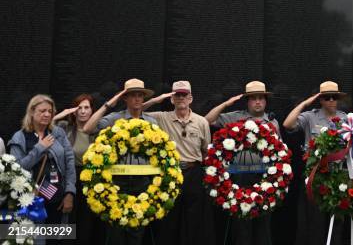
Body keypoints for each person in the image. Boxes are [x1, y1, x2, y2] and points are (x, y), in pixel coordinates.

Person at [83, 78, 157, 245]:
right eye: (132, 95)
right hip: (118, 182)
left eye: (140, 95)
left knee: (137, 231)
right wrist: (111, 103)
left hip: (142, 182)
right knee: (116, 232)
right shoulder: (114, 118)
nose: (137, 99)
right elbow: (88, 128)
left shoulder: (152, 122)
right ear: (125, 98)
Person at [205, 80, 280, 245]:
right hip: (239, 176)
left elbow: (278, 153)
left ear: (266, 101)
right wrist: (226, 104)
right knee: (241, 225)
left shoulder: (272, 123)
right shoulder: (235, 117)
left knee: (263, 224)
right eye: (253, 98)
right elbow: (208, 120)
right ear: (248, 101)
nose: (258, 101)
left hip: (264, 177)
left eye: (261, 98)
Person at [142, 80, 212, 245]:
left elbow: (206, 150)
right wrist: (157, 100)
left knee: (193, 218)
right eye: (177, 95)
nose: (181, 98)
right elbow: (138, 110)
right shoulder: (162, 117)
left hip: (194, 171)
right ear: (172, 99)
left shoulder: (201, 122)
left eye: (184, 95)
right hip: (170, 172)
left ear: (191, 98)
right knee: (169, 218)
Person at [283, 81, 349, 245]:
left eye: (334, 97)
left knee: (337, 223)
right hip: (315, 177)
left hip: (338, 176)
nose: (331, 100)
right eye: (327, 98)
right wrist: (306, 102)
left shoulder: (346, 118)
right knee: (315, 223)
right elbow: (287, 124)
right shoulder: (310, 116)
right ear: (320, 100)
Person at [7, 94, 76, 235]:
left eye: (50, 111)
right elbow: (16, 169)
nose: (47, 114)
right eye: (42, 111)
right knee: (31, 238)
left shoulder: (58, 133)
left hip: (57, 199)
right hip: (30, 201)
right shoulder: (20, 137)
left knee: (54, 238)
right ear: (32, 112)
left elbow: (69, 163)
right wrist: (39, 148)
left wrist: (69, 193)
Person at [53, 93, 103, 245]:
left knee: (87, 221)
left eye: (86, 108)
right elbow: (46, 125)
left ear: (92, 110)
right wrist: (61, 115)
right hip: (69, 177)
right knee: (68, 218)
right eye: (79, 108)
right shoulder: (64, 128)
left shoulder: (98, 131)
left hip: (91, 180)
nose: (82, 111)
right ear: (74, 111)